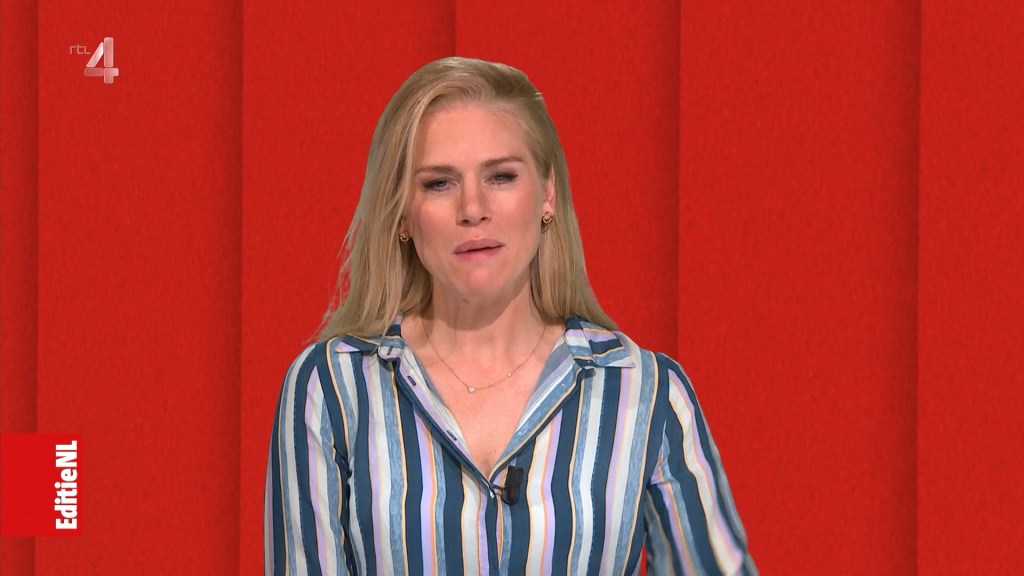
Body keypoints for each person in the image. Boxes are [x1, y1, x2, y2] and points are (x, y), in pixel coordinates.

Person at [265, 56, 756, 575]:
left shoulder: (647, 393)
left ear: (547, 194)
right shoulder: (330, 388)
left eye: (500, 176)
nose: (473, 208)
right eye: (439, 183)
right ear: (402, 215)